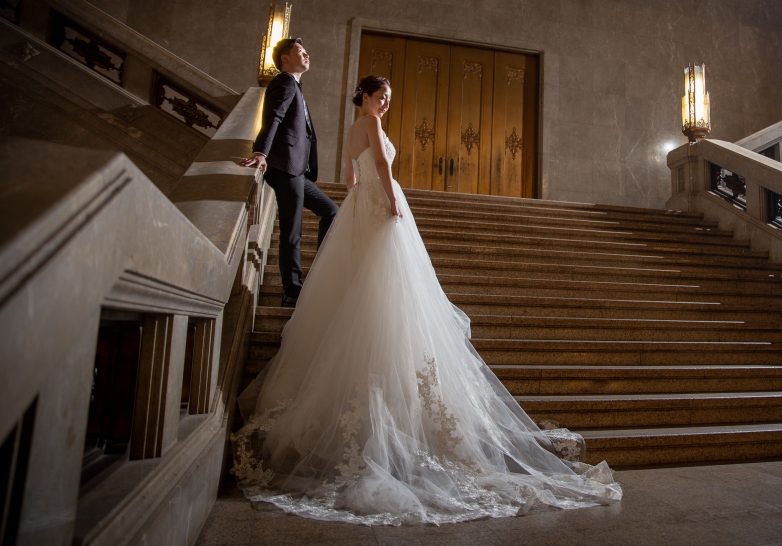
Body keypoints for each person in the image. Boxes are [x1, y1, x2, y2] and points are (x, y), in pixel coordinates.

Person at [232, 75, 621, 525]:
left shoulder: (354, 126)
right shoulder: (373, 127)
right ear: (365, 96)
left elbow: (349, 174)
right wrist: (393, 200)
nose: (386, 104)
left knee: (359, 290)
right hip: (381, 203)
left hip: (360, 205)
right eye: (381, 97)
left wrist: (362, 197)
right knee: (390, 288)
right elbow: (380, 163)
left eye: (389, 99)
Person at [240, 38, 338, 307]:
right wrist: (261, 152)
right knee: (291, 232)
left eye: (307, 51)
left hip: (297, 171)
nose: (307, 55)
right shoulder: (284, 82)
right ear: (285, 58)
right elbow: (273, 116)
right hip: (285, 167)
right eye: (301, 52)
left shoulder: (295, 85)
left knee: (331, 211)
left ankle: (316, 276)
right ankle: (292, 291)